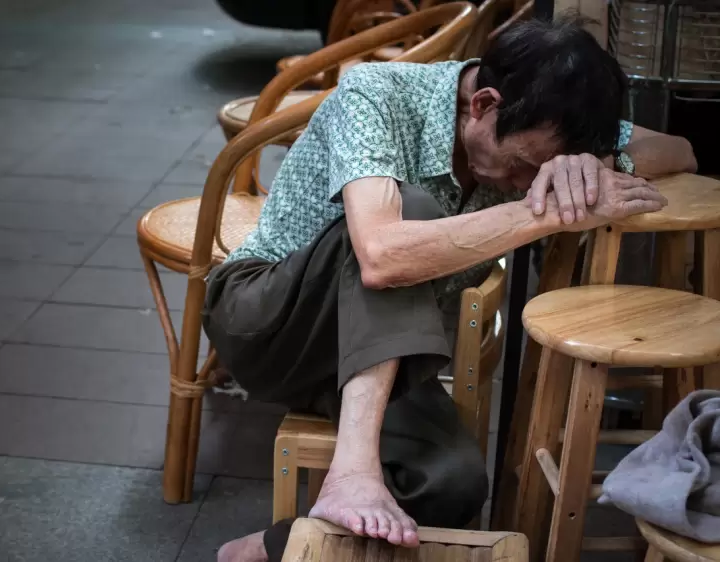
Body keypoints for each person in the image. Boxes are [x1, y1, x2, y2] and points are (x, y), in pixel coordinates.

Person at [203, 17, 697, 562]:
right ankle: (352, 474)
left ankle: (269, 547)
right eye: (522, 165)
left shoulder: (546, 120)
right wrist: (546, 212)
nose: (525, 184)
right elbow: (382, 257)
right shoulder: (378, 94)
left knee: (455, 482)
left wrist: (591, 169)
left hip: (369, 352)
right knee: (408, 213)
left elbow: (680, 150)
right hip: (265, 318)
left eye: (539, 173)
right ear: (483, 104)